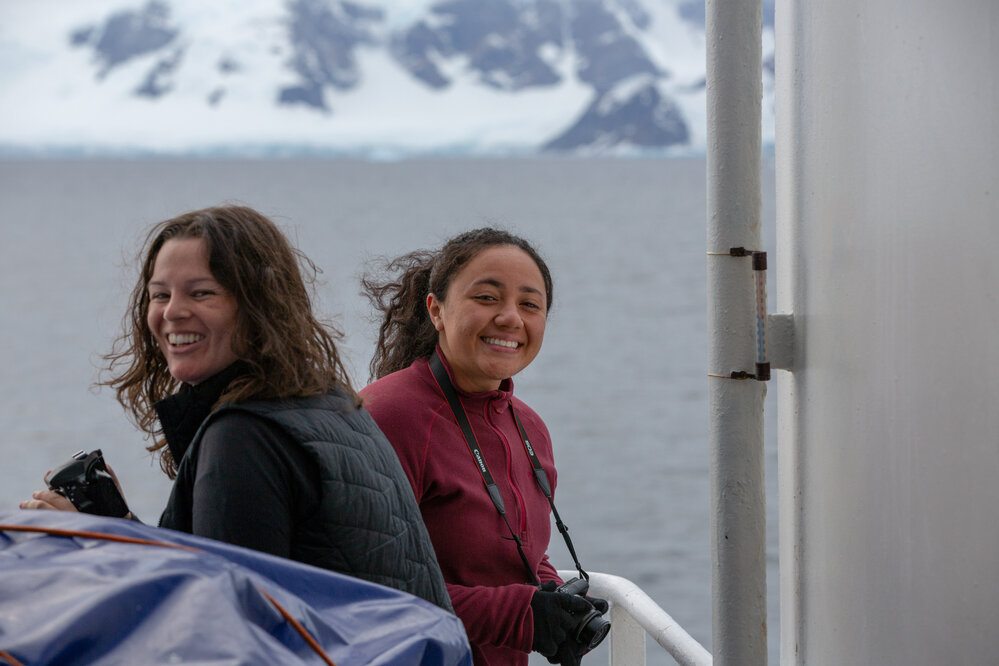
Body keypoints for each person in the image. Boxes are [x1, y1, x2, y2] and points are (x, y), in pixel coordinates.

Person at [19, 205, 452, 612]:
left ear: (258, 306)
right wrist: (120, 529)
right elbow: (233, 572)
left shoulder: (244, 437)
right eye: (159, 294)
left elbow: (223, 627)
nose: (172, 311)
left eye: (201, 292)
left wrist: (91, 551)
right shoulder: (331, 402)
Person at [359, 228, 608, 666]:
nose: (511, 318)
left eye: (530, 304)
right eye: (487, 298)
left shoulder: (529, 426)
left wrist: (554, 601)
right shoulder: (387, 414)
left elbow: (517, 553)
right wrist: (520, 616)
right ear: (436, 310)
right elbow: (365, 585)